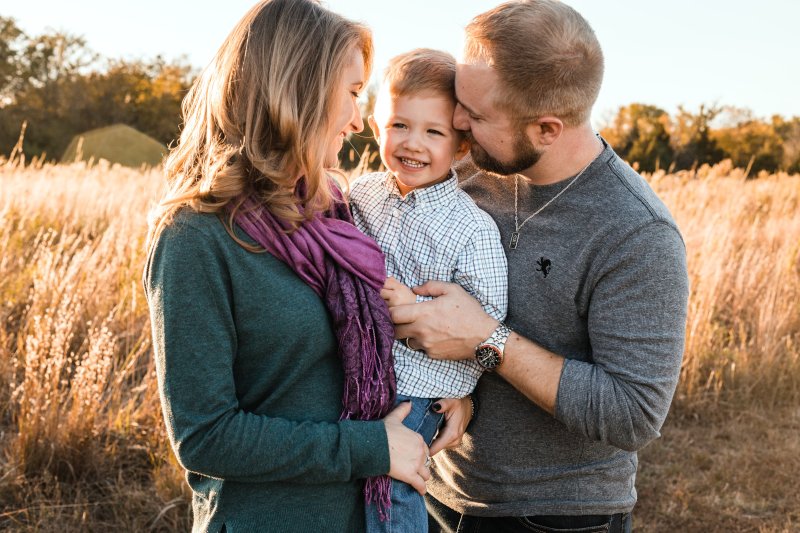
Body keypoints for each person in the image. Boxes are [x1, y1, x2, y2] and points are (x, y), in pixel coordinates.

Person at [142, 1, 454, 530]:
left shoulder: (335, 214)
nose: (358, 120)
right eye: (352, 92)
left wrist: (454, 398)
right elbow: (205, 436)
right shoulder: (196, 236)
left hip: (369, 516)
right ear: (299, 91)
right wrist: (369, 448)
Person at [389, 2, 690, 532]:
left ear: (547, 128)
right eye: (460, 102)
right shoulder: (461, 173)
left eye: (477, 115)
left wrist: (488, 340)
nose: (456, 123)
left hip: (555, 515)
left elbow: (633, 413)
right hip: (433, 487)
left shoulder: (636, 233)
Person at [348, 49, 508, 533]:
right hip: (360, 374)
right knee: (353, 482)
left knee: (394, 481)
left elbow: (489, 318)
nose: (412, 143)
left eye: (433, 132)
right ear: (376, 126)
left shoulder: (470, 228)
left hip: (421, 388)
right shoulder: (362, 195)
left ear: (460, 146)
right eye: (399, 125)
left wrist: (414, 307)